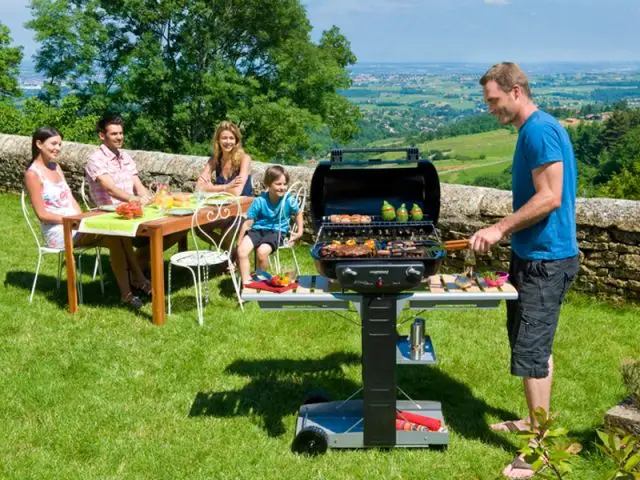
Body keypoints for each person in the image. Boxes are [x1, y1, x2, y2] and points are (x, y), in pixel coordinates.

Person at [469, 62, 579, 479]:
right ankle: (534, 423)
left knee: (532, 353)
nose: (490, 109)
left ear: (516, 91)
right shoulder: (532, 130)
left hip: (547, 260)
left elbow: (550, 197)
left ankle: (539, 450)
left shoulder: (539, 130)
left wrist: (498, 228)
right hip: (531, 255)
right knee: (526, 343)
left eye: (493, 100)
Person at [24, 127, 151, 309]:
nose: (58, 148)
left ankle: (130, 289)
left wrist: (81, 217)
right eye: (53, 144)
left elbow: (70, 198)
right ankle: (136, 284)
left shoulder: (55, 166)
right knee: (114, 234)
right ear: (38, 144)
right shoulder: (32, 174)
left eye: (60, 144)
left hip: (76, 224)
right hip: (57, 230)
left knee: (117, 234)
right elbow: (42, 214)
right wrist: (74, 222)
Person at [84, 114, 182, 272]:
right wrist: (133, 199)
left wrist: (147, 198)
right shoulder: (96, 160)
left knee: (178, 226)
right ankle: (136, 269)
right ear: (102, 136)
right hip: (113, 216)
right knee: (162, 229)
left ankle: (137, 261)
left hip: (134, 211)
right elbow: (110, 188)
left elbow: (137, 184)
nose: (119, 137)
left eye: (121, 133)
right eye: (114, 134)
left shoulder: (125, 157)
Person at [237, 166, 303, 285]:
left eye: (284, 184)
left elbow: (298, 213)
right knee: (242, 251)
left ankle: (261, 279)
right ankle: (246, 283)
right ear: (268, 184)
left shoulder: (288, 199)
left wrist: (300, 232)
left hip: (277, 231)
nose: (282, 187)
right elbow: (247, 222)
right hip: (258, 230)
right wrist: (239, 241)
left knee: (262, 252)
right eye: (278, 184)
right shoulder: (260, 201)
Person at [195, 120, 253, 197]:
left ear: (236, 141)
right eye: (224, 138)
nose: (228, 142)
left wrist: (211, 188)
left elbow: (236, 192)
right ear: (218, 140)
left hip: (243, 205)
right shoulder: (214, 160)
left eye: (231, 138)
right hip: (221, 205)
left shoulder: (244, 159)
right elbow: (198, 188)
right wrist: (227, 186)